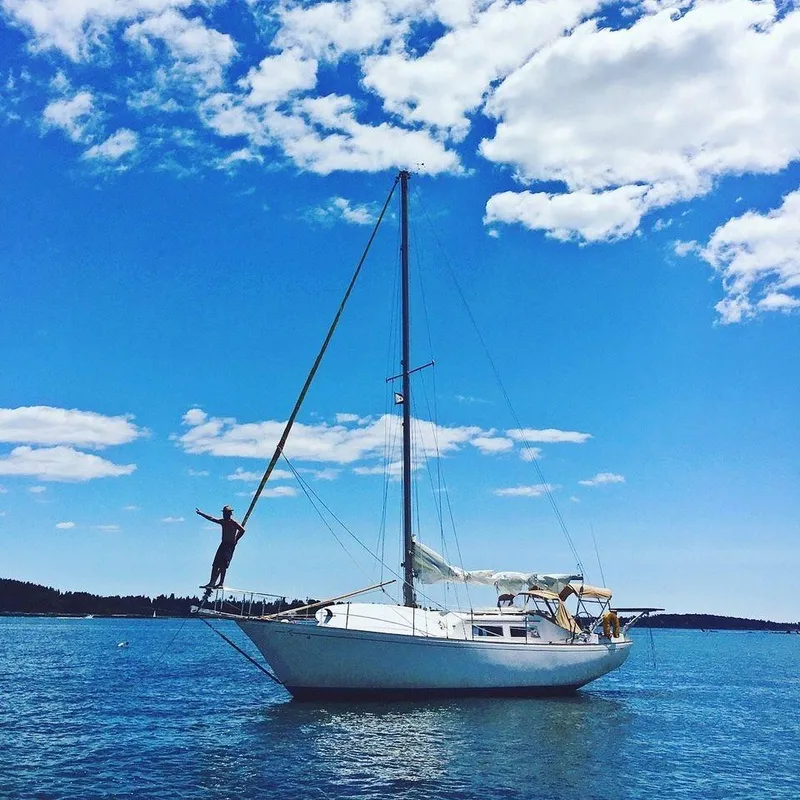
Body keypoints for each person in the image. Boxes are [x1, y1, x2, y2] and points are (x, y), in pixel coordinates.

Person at [196, 505, 245, 589]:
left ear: (230, 514)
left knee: (223, 565)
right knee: (215, 565)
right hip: (223, 544)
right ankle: (211, 582)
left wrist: (236, 539)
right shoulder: (223, 521)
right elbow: (211, 518)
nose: (224, 515)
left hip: (230, 545)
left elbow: (242, 530)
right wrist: (201, 513)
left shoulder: (233, 522)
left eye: (226, 513)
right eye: (224, 513)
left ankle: (221, 583)